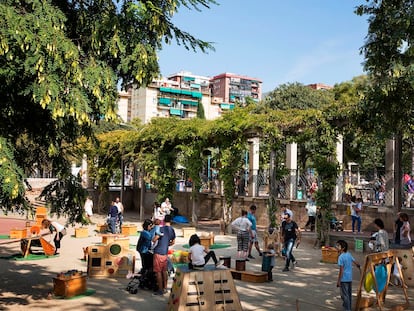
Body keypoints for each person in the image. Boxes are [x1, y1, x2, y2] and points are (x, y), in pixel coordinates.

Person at [152, 214, 175, 296]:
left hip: (158, 252)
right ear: (171, 221)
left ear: (164, 220)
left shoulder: (161, 229)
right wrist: (167, 244)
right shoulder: (172, 230)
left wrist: (154, 239)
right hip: (165, 253)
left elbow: (154, 239)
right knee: (164, 271)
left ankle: (160, 290)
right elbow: (173, 242)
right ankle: (165, 288)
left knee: (158, 272)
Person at [336, 240, 361, 311]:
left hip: (344, 279)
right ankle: (347, 307)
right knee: (348, 294)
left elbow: (341, 270)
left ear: (343, 248)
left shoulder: (341, 257)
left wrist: (338, 281)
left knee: (344, 295)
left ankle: (347, 308)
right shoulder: (348, 254)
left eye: (338, 246)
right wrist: (358, 265)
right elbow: (355, 261)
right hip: (349, 278)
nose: (336, 247)